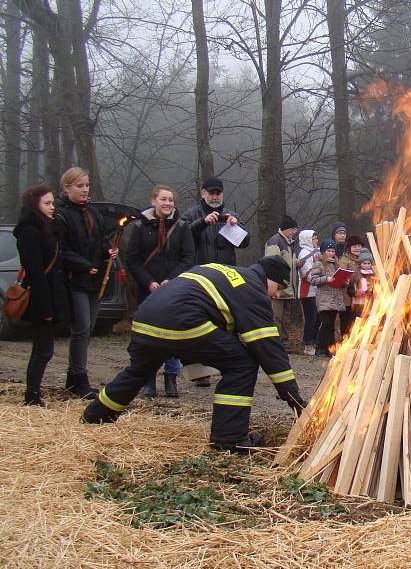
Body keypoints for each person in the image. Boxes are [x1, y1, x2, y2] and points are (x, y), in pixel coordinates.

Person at [81, 256, 306, 453]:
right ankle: (229, 438)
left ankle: (95, 415)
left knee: (139, 371)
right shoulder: (252, 288)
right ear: (270, 278)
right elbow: (268, 349)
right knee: (242, 364)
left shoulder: (224, 271)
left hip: (145, 318)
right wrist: (292, 397)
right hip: (181, 320)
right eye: (278, 288)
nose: (276, 295)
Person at [126, 185, 195, 397]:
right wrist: (149, 282)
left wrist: (170, 280)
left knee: (173, 335)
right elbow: (133, 259)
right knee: (148, 336)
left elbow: (188, 257)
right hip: (148, 290)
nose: (167, 203)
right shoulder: (139, 227)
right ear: (154, 200)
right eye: (164, 199)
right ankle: (148, 380)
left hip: (173, 290)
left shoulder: (183, 227)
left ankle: (171, 379)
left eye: (171, 200)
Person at [57, 167, 119, 399]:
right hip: (75, 280)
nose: (84, 190)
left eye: (86, 185)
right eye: (79, 186)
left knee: (89, 328)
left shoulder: (93, 212)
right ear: (67, 188)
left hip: (95, 279)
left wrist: (108, 251)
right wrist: (82, 264)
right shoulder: (62, 214)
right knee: (81, 328)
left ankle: (73, 378)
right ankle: (79, 378)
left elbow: (100, 240)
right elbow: (62, 250)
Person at [182, 176, 249, 386]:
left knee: (223, 324)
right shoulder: (191, 214)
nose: (214, 196)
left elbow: (245, 243)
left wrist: (235, 226)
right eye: (210, 192)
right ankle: (198, 372)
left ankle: (223, 367)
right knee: (197, 322)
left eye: (218, 193)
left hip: (224, 278)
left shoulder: (231, 215)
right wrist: (202, 223)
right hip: (198, 277)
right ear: (203, 194)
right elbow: (181, 237)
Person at [14, 185, 70, 406]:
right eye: (47, 203)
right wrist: (45, 307)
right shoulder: (29, 231)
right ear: (34, 204)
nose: (52, 207)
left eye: (52, 203)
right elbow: (35, 272)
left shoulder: (50, 227)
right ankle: (32, 395)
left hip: (51, 293)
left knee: (43, 348)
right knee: (43, 349)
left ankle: (33, 393)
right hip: (40, 298)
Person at [264, 215, 299, 341]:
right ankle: (275, 342)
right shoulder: (275, 241)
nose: (295, 232)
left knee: (286, 319)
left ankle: (284, 342)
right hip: (277, 290)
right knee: (276, 317)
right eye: (293, 229)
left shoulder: (290, 244)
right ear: (286, 228)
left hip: (288, 290)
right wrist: (275, 287)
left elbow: (290, 264)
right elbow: (271, 265)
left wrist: (298, 263)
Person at [309, 239, 346, 357]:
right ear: (323, 251)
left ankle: (329, 349)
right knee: (326, 323)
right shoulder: (318, 263)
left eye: (333, 251)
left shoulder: (336, 264)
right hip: (324, 298)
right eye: (329, 251)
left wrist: (344, 280)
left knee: (331, 325)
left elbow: (339, 280)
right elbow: (313, 280)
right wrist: (326, 279)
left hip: (335, 297)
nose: (331, 253)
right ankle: (320, 347)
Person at [297, 229, 320, 355]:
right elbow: (307, 274)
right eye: (313, 238)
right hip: (307, 292)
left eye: (316, 238)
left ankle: (314, 340)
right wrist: (322, 276)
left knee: (318, 318)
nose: (316, 240)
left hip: (317, 291)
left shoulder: (317, 253)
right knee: (311, 318)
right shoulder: (304, 254)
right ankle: (308, 343)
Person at [338, 235, 363, 336]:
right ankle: (344, 346)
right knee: (346, 322)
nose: (357, 248)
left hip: (361, 297)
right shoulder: (344, 260)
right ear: (349, 248)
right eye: (354, 246)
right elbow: (340, 278)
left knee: (359, 323)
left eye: (359, 246)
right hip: (347, 298)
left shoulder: (365, 259)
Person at [351, 249, 375, 317]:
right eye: (364, 263)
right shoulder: (355, 275)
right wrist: (356, 292)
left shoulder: (373, 274)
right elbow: (349, 289)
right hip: (358, 304)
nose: (367, 265)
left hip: (369, 303)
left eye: (368, 263)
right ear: (360, 264)